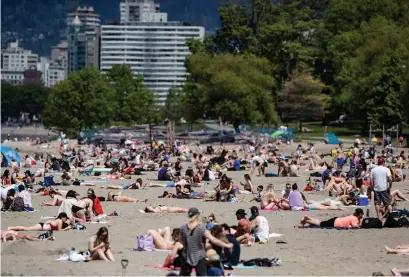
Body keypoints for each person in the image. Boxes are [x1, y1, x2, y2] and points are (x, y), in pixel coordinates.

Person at [171, 207, 233, 276]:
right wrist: (226, 245)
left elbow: (180, 241)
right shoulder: (201, 229)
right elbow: (214, 240)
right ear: (197, 216)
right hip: (199, 257)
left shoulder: (183, 228)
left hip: (187, 257)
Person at [300, 208, 364, 228]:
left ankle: (308, 218)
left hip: (336, 220)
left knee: (321, 222)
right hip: (335, 223)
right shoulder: (354, 219)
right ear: (360, 214)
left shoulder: (353, 216)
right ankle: (306, 220)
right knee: (320, 224)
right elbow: (355, 226)